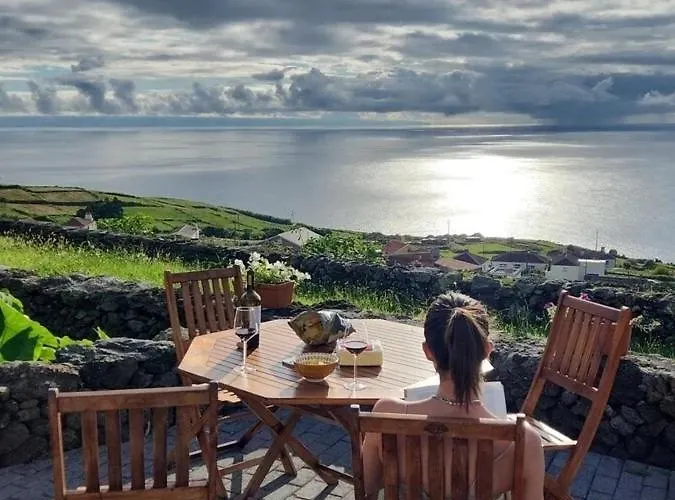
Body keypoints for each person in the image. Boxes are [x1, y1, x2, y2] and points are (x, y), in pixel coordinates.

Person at [362, 292, 544, 499]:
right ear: (487, 350)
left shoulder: (387, 415)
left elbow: (368, 489)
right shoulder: (524, 441)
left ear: (427, 351)